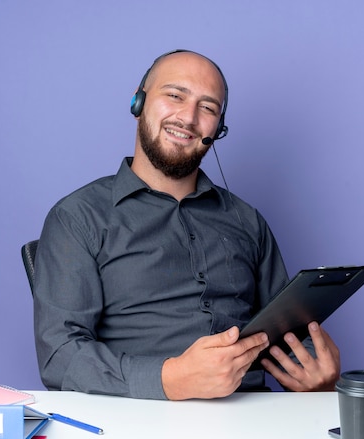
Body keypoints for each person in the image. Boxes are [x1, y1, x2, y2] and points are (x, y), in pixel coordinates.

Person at [33, 49, 341, 400]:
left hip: (256, 418)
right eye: (175, 96)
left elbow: (288, 334)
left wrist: (319, 378)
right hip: (135, 419)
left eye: (208, 108)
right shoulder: (78, 217)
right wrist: (170, 378)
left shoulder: (247, 220)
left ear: (218, 129)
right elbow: (60, 355)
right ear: (138, 103)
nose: (188, 118)